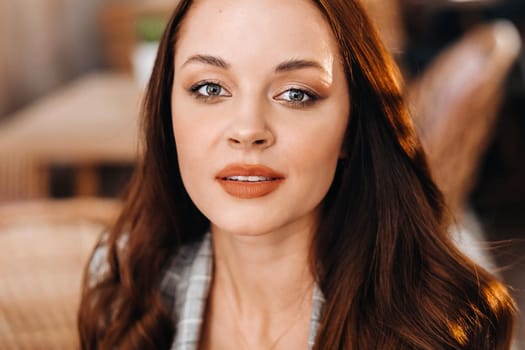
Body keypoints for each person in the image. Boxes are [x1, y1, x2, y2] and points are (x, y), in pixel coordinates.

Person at [78, 0, 516, 349]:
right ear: (167, 112)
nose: (248, 129)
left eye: (296, 94)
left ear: (351, 127)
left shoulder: (440, 327)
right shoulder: (123, 287)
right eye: (210, 88)